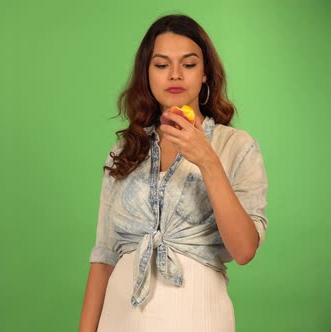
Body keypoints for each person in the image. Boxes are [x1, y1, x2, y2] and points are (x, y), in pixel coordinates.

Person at [78, 14, 268, 332]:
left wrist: (207, 160)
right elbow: (104, 257)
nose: (175, 74)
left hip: (198, 318)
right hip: (119, 319)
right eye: (162, 64)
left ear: (205, 73)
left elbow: (245, 249)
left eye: (189, 64)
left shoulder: (236, 146)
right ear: (147, 74)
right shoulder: (125, 150)